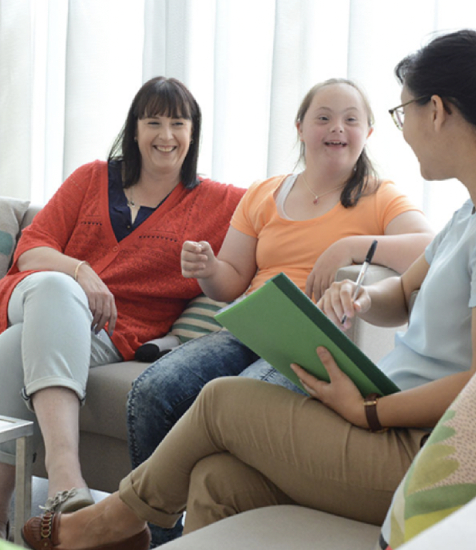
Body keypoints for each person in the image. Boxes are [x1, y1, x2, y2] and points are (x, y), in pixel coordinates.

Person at [23, 26, 476, 550]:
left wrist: (370, 411)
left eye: (401, 112)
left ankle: (109, 523)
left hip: (422, 448)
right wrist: (363, 296)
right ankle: (125, 527)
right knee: (217, 478)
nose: (404, 131)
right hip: (395, 424)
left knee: (221, 401)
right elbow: (404, 296)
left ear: (436, 111)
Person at [125, 77, 434, 544]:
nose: (337, 127)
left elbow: (431, 247)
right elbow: (230, 282)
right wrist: (208, 269)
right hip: (249, 327)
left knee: (242, 405)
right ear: (300, 128)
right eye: (324, 118)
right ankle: (157, 538)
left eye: (351, 119)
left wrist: (351, 245)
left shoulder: (380, 195)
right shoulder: (264, 193)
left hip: (309, 339)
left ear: (368, 132)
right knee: (152, 392)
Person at [0, 76, 245, 538]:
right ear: (134, 129)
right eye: (153, 122)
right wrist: (80, 271)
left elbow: (279, 214)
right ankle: (66, 478)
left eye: (178, 123)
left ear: (194, 132)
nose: (166, 135)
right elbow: (31, 249)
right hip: (37, 294)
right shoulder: (91, 178)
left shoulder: (218, 202)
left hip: (110, 332)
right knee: (58, 289)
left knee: (12, 348)